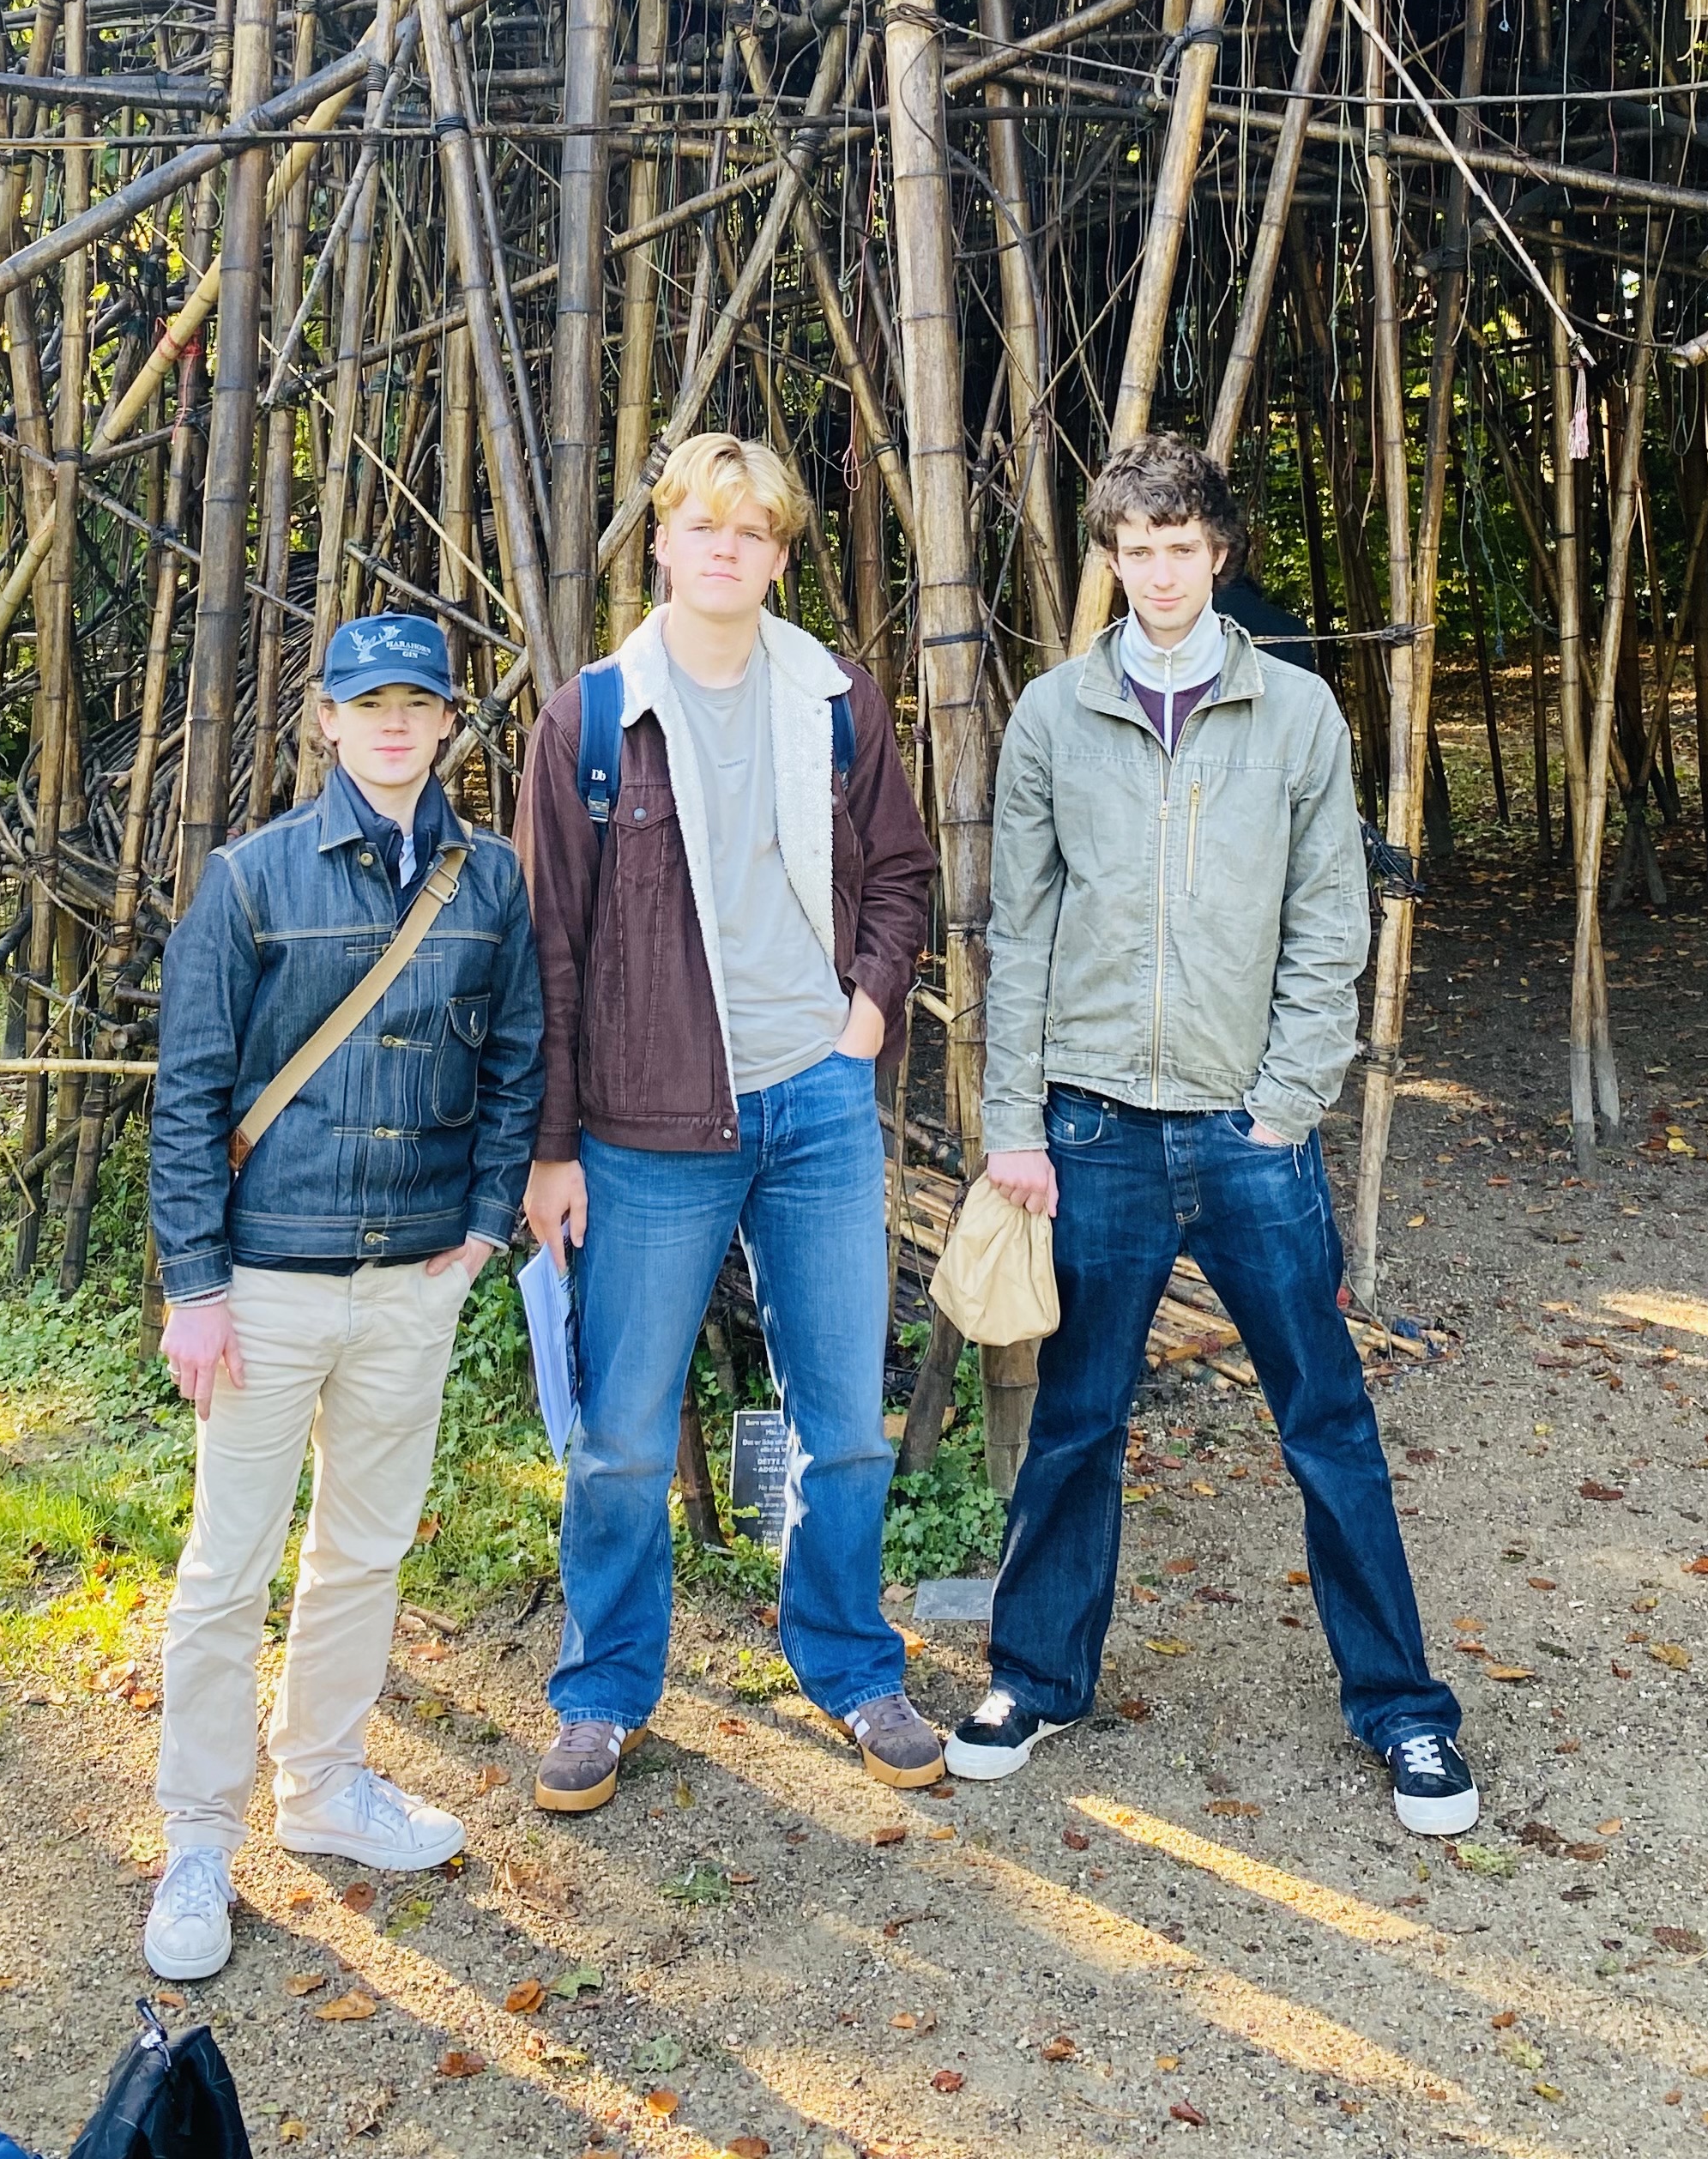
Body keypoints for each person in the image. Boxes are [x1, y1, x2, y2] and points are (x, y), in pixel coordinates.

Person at [946, 432, 1479, 1837]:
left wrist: (1287, 1094)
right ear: (1109, 558)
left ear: (1215, 553)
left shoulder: (1295, 711)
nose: (1160, 570)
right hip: (1096, 1125)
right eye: (1137, 548)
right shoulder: (1055, 715)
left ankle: (1401, 1710)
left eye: (1182, 546)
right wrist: (1016, 1123)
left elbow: (1327, 917)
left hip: (1251, 1135)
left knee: (1324, 1419)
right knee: (1074, 1419)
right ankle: (1033, 1675)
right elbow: (1021, 927)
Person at [516, 431, 942, 1812]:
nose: (725, 550)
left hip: (813, 1101)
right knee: (626, 1432)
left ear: (777, 554)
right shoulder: (592, 719)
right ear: (660, 542)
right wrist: (553, 1146)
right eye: (702, 525)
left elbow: (902, 874)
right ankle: (601, 1694)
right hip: (645, 1124)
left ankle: (851, 1667)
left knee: (848, 1425)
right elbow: (551, 951)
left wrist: (865, 1014)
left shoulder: (832, 700)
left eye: (752, 532)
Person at [142, 612, 544, 1981]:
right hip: (266, 1282)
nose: (390, 724)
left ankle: (323, 1786)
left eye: (415, 704)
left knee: (365, 1550)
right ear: (323, 716)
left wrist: (487, 1225)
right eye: (365, 702)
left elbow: (520, 1062)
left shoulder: (489, 883)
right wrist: (194, 1287)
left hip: (413, 1279)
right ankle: (199, 1833)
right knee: (226, 1567)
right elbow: (190, 1090)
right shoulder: (251, 878)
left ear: (446, 723)